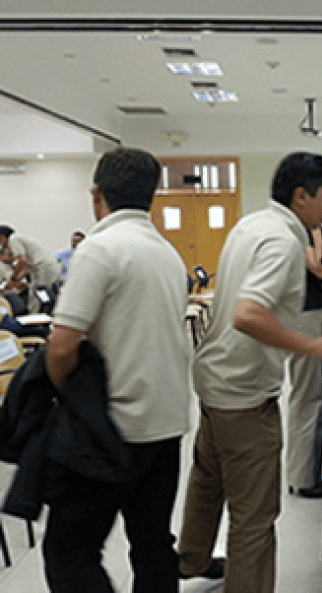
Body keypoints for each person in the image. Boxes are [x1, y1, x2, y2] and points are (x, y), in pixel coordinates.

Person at [177, 152, 322, 593]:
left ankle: (193, 557)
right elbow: (248, 315)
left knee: (208, 479)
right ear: (301, 197)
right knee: (254, 514)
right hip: (244, 391)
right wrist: (312, 346)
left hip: (215, 378)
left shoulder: (251, 224)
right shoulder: (282, 243)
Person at [43, 147, 192, 593]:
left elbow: (61, 346)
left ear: (96, 195)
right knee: (152, 545)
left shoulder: (98, 249)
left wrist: (68, 399)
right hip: (164, 426)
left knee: (70, 554)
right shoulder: (167, 253)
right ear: (152, 196)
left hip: (110, 429)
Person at [284, 225, 322, 499]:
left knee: (313, 396)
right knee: (309, 396)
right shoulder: (302, 230)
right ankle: (302, 478)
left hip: (311, 312)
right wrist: (316, 234)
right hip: (306, 315)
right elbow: (317, 267)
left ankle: (304, 474)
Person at [0, 224, 61, 312]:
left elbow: (23, 261)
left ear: (2, 237)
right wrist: (16, 280)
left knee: (38, 297)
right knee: (42, 296)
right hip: (46, 268)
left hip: (42, 269)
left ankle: (36, 318)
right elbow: (26, 266)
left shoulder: (13, 239)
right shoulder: (20, 239)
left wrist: (14, 279)